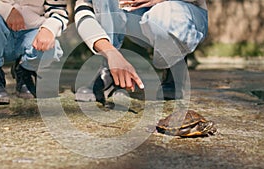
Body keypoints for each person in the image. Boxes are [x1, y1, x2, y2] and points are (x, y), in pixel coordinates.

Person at [74, 0, 208, 103]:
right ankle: (110, 70)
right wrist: (110, 52)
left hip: (181, 13)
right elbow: (84, 10)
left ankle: (174, 66)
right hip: (135, 16)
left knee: (166, 16)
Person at [0, 0, 69, 104]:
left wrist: (49, 28)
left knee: (52, 48)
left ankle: (24, 70)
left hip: (31, 31)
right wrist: (7, 11)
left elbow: (58, 10)